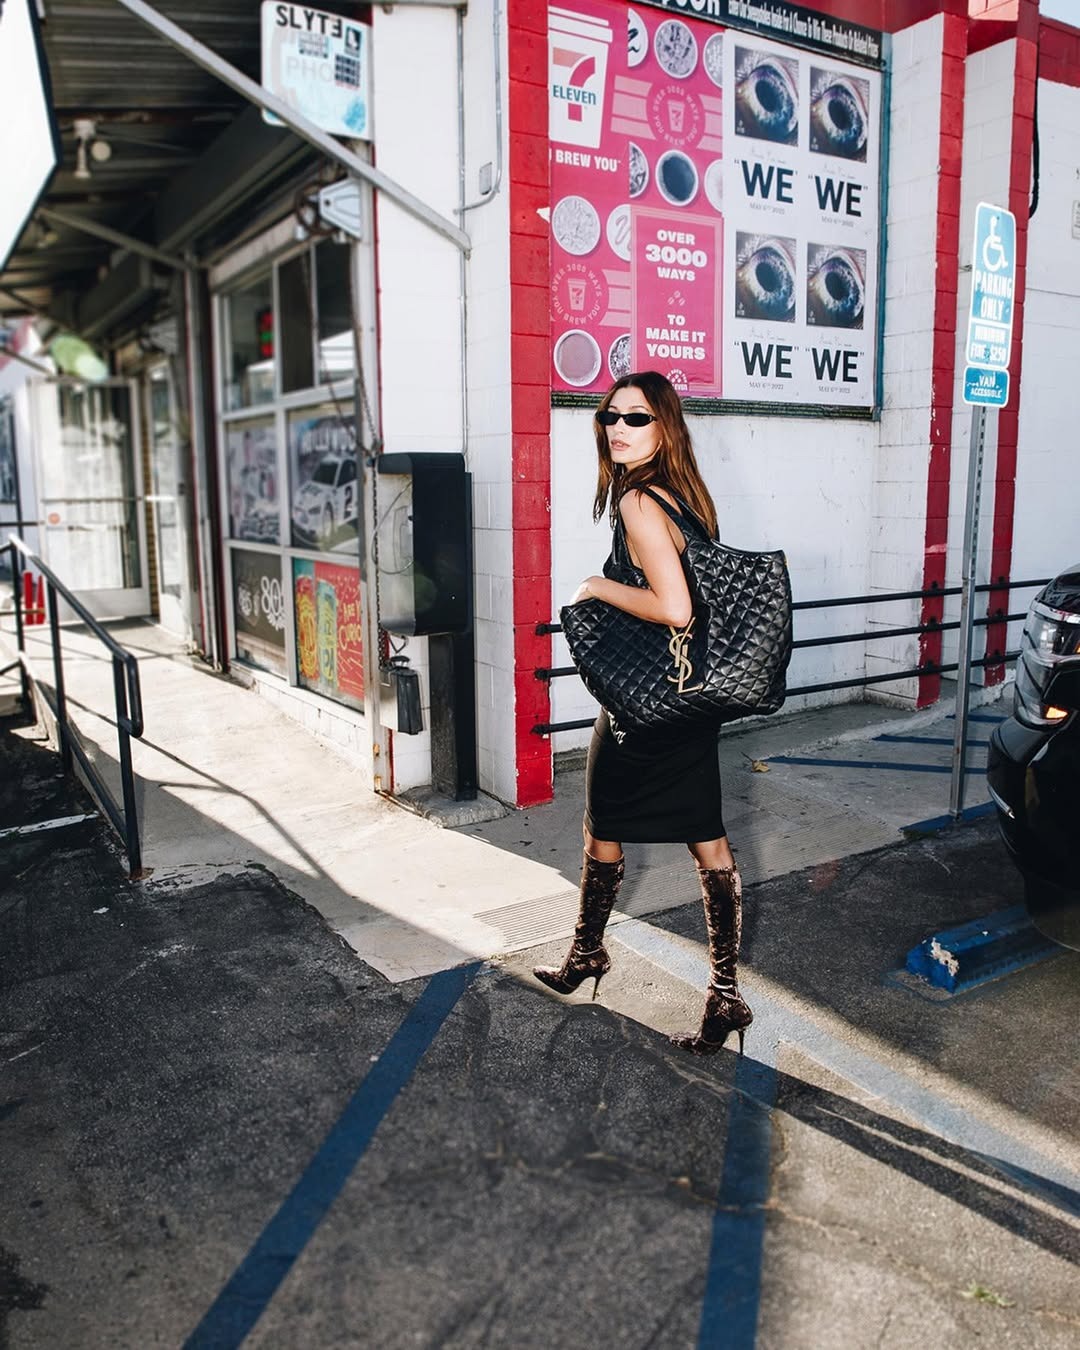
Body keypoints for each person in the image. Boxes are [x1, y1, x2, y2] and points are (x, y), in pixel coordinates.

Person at [533, 371, 752, 1056]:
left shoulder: (637, 500)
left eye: (636, 418)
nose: (617, 429)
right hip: (689, 701)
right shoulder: (685, 494)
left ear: (664, 428)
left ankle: (587, 954)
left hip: (646, 705)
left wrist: (597, 587)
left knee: (602, 824)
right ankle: (723, 993)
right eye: (610, 416)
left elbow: (676, 607)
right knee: (707, 838)